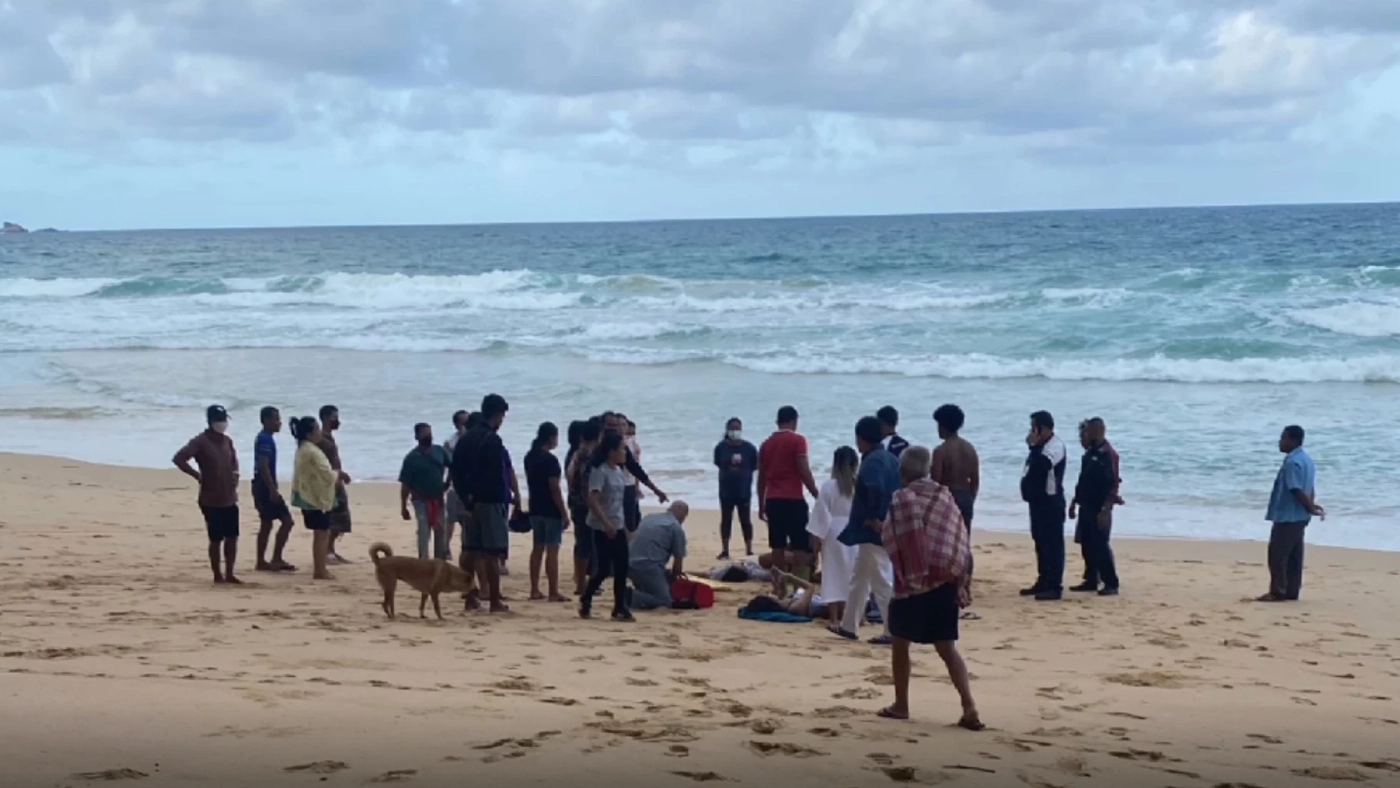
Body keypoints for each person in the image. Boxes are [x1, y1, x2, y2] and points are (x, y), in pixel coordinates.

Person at [877, 446, 981, 730]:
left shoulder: (902, 498)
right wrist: (962, 579)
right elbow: (958, 536)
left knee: (900, 643)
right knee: (947, 648)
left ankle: (901, 704)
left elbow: (893, 537)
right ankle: (969, 705)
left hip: (911, 584)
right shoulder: (944, 496)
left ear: (903, 472)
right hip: (944, 580)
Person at [835, 416, 901, 644]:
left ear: (861, 438)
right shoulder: (890, 458)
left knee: (881, 581)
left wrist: (874, 518)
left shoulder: (872, 462)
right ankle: (848, 625)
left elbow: (875, 489)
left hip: (873, 530)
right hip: (884, 527)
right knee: (860, 579)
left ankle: (893, 630)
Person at [452, 394, 512, 613]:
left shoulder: (465, 438)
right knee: (492, 553)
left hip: (468, 501)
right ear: (497, 414)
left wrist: (466, 497)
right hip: (489, 501)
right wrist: (503, 499)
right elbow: (496, 475)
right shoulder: (492, 439)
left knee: (469, 550)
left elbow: (455, 471)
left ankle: (470, 597)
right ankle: (494, 600)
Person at [173, 404, 242, 584]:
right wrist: (197, 475)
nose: (222, 423)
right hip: (210, 499)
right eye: (219, 420)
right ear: (210, 421)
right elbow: (179, 458)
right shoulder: (200, 441)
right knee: (216, 538)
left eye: (224, 419)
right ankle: (217, 575)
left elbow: (234, 460)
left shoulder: (227, 441)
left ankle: (230, 573)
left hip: (229, 497)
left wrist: (235, 474)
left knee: (232, 537)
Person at [1260, 425, 1324, 602]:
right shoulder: (1306, 460)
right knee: (1294, 555)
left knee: (1278, 555)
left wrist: (1310, 507)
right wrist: (1310, 505)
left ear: (1293, 440)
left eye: (1283, 438)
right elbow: (1309, 487)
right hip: (1300, 516)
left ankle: (1278, 591)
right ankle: (1291, 590)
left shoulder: (1292, 462)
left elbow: (1296, 489)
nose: (1280, 442)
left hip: (1288, 516)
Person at [758, 406, 819, 583]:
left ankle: (779, 586)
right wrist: (816, 493)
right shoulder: (798, 440)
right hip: (793, 499)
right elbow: (803, 470)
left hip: (773, 499)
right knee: (800, 545)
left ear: (777, 422)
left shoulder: (766, 444)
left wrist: (761, 504)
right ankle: (799, 585)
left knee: (777, 545)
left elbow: (761, 478)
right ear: (794, 421)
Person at [932, 404, 979, 618]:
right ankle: (966, 586)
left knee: (947, 544)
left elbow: (937, 481)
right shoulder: (969, 449)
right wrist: (970, 498)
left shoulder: (941, 451)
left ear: (943, 425)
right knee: (964, 543)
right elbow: (975, 479)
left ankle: (951, 586)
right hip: (965, 496)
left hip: (948, 497)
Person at [581, 433, 634, 621]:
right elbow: (592, 500)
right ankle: (586, 597)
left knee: (622, 567)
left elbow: (618, 503)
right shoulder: (600, 471)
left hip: (617, 524)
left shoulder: (618, 471)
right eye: (621, 449)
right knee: (603, 568)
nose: (624, 452)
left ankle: (620, 606)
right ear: (612, 451)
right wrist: (605, 523)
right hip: (601, 526)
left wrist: (623, 526)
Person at [807, 447, 859, 627]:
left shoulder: (829, 486)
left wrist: (816, 543)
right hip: (855, 531)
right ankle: (856, 616)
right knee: (854, 574)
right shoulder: (859, 486)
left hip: (833, 531)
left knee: (832, 574)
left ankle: (834, 618)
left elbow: (821, 515)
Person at [1069, 418, 1121, 595]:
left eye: (1089, 431)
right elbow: (1082, 480)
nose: (1086, 435)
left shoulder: (1109, 454)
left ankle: (1111, 583)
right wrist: (1074, 501)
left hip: (1100, 506)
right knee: (1086, 542)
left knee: (1100, 544)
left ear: (1099, 431)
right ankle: (1091, 578)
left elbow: (1113, 483)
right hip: (1086, 504)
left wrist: (1106, 509)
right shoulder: (1089, 454)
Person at [1021, 410, 1068, 601]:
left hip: (1051, 502)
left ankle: (1054, 586)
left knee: (1053, 544)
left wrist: (1033, 447)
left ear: (1045, 428)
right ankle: (1043, 580)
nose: (1032, 432)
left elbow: (1043, 465)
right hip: (1037, 501)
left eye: (1035, 428)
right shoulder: (1040, 447)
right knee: (1040, 541)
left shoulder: (1055, 446)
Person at [526, 421, 571, 602]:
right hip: (550, 509)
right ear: (552, 438)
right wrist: (564, 513)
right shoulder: (550, 460)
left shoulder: (530, 457)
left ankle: (534, 589)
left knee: (537, 548)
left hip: (535, 507)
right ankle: (553, 591)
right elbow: (555, 488)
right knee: (552, 550)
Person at [290, 416, 338, 580]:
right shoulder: (311, 451)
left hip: (308, 495)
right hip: (315, 498)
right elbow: (327, 473)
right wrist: (338, 475)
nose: (320, 432)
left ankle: (320, 568)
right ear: (309, 434)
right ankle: (320, 570)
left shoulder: (302, 448)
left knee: (321, 533)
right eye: (317, 429)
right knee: (321, 533)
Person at [251, 406, 296, 572]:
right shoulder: (265, 439)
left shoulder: (265, 438)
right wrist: (272, 489)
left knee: (267, 523)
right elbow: (263, 466)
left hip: (260, 485)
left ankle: (262, 560)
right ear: (266, 420)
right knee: (287, 521)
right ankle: (275, 558)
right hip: (264, 486)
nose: (279, 423)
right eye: (276, 419)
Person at [398, 422, 452, 560]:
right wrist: (403, 507)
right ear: (416, 436)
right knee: (423, 530)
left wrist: (447, 482)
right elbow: (405, 484)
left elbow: (453, 466)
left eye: (429, 433)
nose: (428, 436)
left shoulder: (439, 451)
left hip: (438, 498)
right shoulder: (411, 458)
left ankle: (440, 560)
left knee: (440, 529)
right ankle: (423, 560)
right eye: (424, 433)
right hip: (420, 500)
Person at [629, 501, 690, 610]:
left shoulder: (649, 517)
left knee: (656, 581)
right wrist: (674, 579)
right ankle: (631, 597)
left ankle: (641, 592)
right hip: (648, 567)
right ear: (683, 517)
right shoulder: (676, 528)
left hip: (628, 563)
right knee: (664, 600)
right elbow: (678, 565)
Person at [567, 417, 603, 596]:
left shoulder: (576, 453)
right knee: (587, 546)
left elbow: (570, 476)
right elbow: (588, 483)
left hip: (576, 502)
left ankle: (581, 582)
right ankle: (583, 584)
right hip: (586, 505)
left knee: (582, 543)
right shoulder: (589, 456)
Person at [713, 417, 758, 559]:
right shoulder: (721, 448)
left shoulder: (749, 448)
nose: (735, 431)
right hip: (726, 490)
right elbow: (718, 463)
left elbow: (755, 465)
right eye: (732, 428)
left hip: (743, 490)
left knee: (746, 520)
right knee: (726, 520)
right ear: (727, 430)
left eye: (737, 428)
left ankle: (749, 550)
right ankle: (725, 550)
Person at [317, 405, 353, 565]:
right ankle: (327, 551)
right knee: (333, 517)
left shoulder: (328, 438)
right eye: (334, 417)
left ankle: (330, 549)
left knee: (341, 517)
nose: (337, 421)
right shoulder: (321, 439)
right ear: (325, 418)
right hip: (329, 482)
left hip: (336, 480)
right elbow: (323, 464)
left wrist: (341, 474)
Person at [442, 409, 471, 561]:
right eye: (463, 422)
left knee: (467, 521)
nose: (467, 425)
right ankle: (445, 548)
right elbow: (446, 465)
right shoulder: (450, 442)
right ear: (457, 425)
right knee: (450, 519)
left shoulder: (475, 439)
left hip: (470, 486)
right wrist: (445, 482)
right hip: (454, 486)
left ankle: (466, 548)